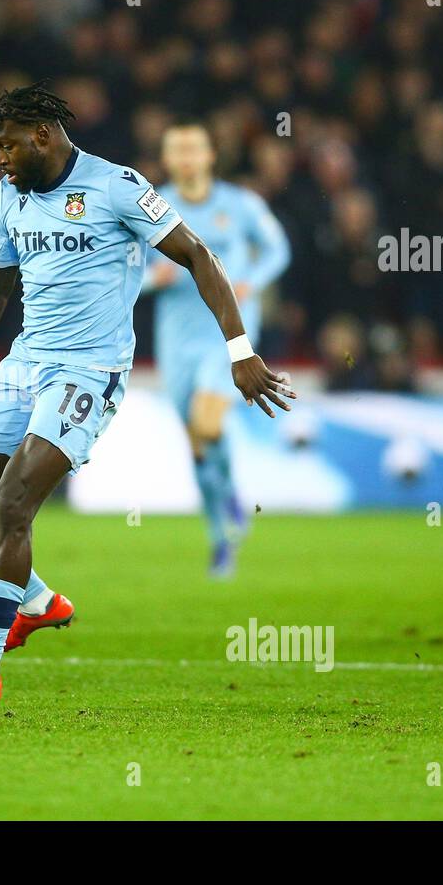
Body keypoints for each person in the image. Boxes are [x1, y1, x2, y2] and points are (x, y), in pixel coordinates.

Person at [0, 83, 294, 710]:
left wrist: (239, 351)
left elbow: (198, 256)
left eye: (5, 145)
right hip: (26, 362)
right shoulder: (10, 196)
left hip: (90, 370)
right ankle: (38, 602)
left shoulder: (117, 187)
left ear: (43, 135)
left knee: (13, 503)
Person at [144, 122, 290, 577]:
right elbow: (127, 268)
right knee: (199, 444)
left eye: (194, 148)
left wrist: (252, 281)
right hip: (177, 337)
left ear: (210, 156)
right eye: (177, 150)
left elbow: (277, 250)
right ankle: (220, 530)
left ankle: (224, 520)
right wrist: (153, 279)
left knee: (207, 422)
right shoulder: (151, 207)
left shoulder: (241, 204)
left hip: (228, 336)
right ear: (167, 160)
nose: (187, 157)